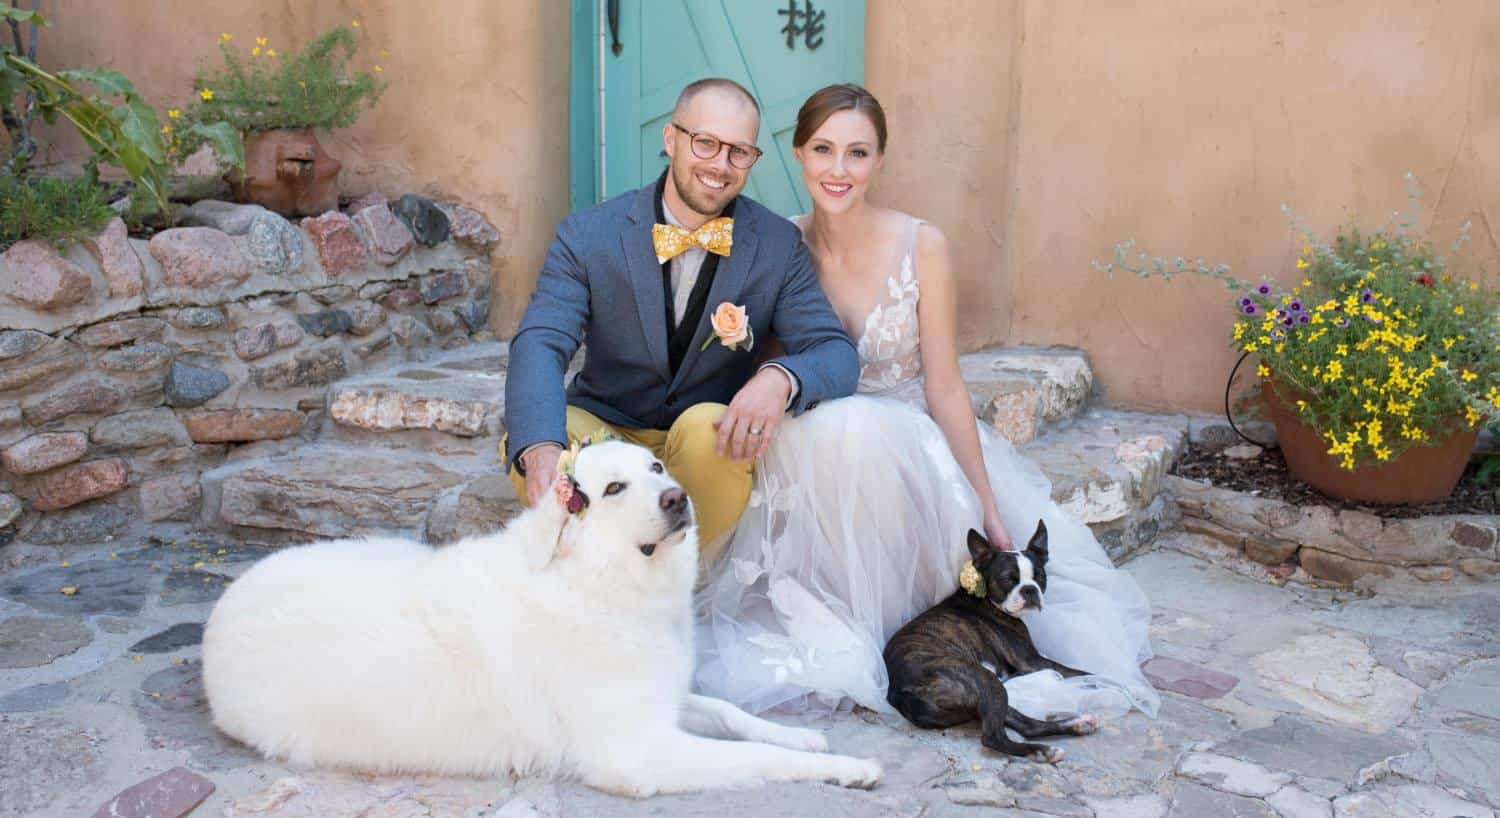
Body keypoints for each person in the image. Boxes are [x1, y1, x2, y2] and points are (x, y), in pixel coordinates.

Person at [695, 84, 1160, 721]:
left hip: (908, 451)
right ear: (798, 154)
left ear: (879, 161)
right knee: (829, 430)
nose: (839, 170)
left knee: (859, 429)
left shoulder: (922, 244)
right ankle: (836, 619)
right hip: (815, 455)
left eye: (857, 153)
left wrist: (990, 507)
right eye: (824, 150)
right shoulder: (779, 244)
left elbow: (943, 384)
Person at [502, 78, 859, 565]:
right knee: (541, 435)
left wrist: (780, 379)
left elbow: (835, 353)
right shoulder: (588, 235)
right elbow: (541, 341)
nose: (719, 165)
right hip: (607, 423)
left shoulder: (777, 246)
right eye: (705, 143)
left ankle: (679, 584)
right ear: (671, 139)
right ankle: (599, 580)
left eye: (739, 152)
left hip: (705, 443)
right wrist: (542, 445)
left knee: (712, 428)